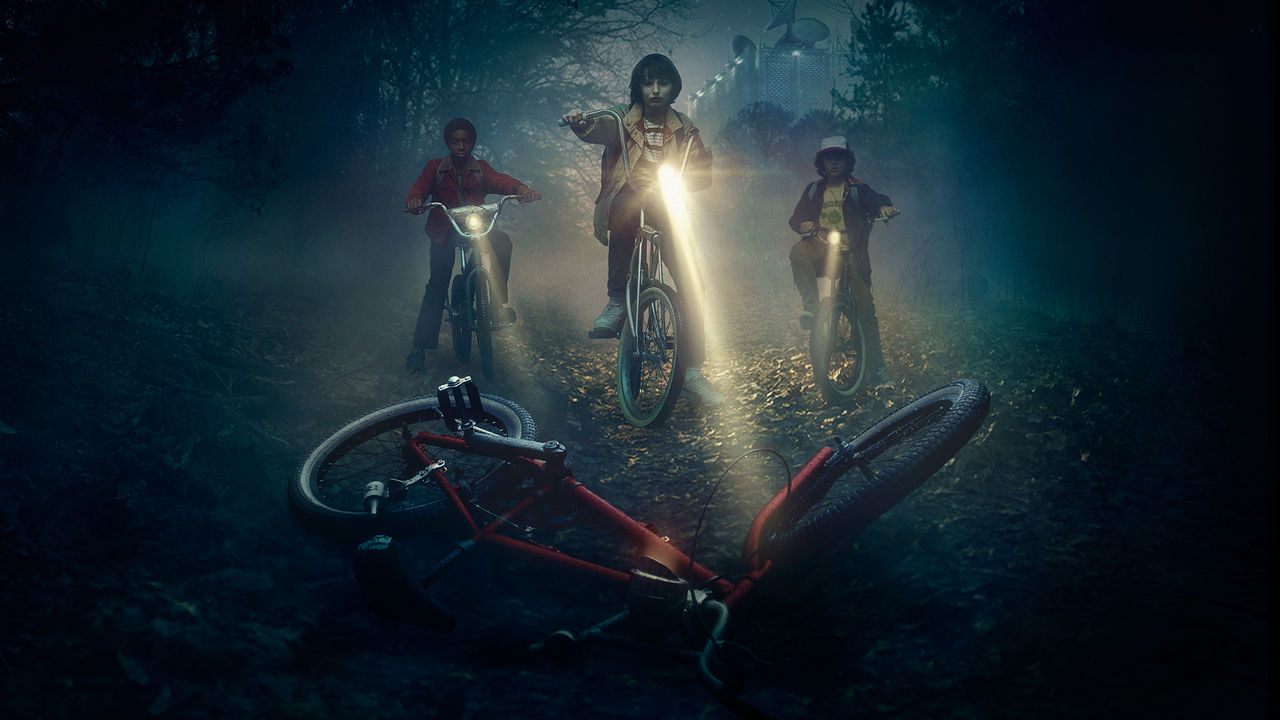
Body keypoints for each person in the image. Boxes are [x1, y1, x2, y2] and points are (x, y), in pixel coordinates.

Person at [562, 53, 723, 406]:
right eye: (647, 83)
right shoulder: (622, 118)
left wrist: (703, 163)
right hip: (629, 200)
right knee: (624, 205)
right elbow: (595, 128)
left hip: (667, 204)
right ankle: (618, 298)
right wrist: (579, 122)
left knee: (693, 285)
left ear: (673, 87)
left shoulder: (685, 126)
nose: (655, 90)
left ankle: (693, 372)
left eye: (662, 82)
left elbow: (697, 170)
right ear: (638, 87)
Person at [403, 117, 540, 373]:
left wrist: (521, 189)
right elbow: (420, 187)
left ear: (472, 143)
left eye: (466, 141)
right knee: (437, 285)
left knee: (502, 242)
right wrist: (415, 200)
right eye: (456, 142)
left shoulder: (480, 168)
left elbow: (500, 180)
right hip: (444, 231)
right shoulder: (435, 167)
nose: (461, 146)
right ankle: (418, 350)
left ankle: (497, 306)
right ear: (448, 144)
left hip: (476, 229)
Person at [788, 136, 900, 388]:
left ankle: (878, 369)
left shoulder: (859, 189)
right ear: (822, 163)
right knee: (798, 251)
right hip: (820, 248)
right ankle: (812, 307)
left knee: (866, 311)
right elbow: (795, 218)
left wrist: (884, 208)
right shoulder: (814, 190)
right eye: (829, 158)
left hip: (851, 256)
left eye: (839, 157)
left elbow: (880, 200)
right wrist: (802, 225)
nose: (834, 162)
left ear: (847, 161)